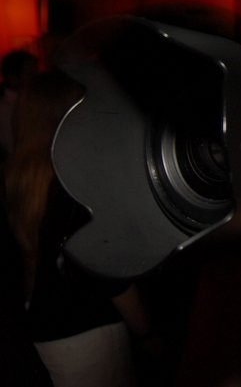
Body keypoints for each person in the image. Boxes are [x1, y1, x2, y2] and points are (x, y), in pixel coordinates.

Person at [4, 70, 150, 387]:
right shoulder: (74, 179)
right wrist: (146, 330)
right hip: (87, 327)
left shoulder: (19, 174)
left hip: (46, 326)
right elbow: (109, 268)